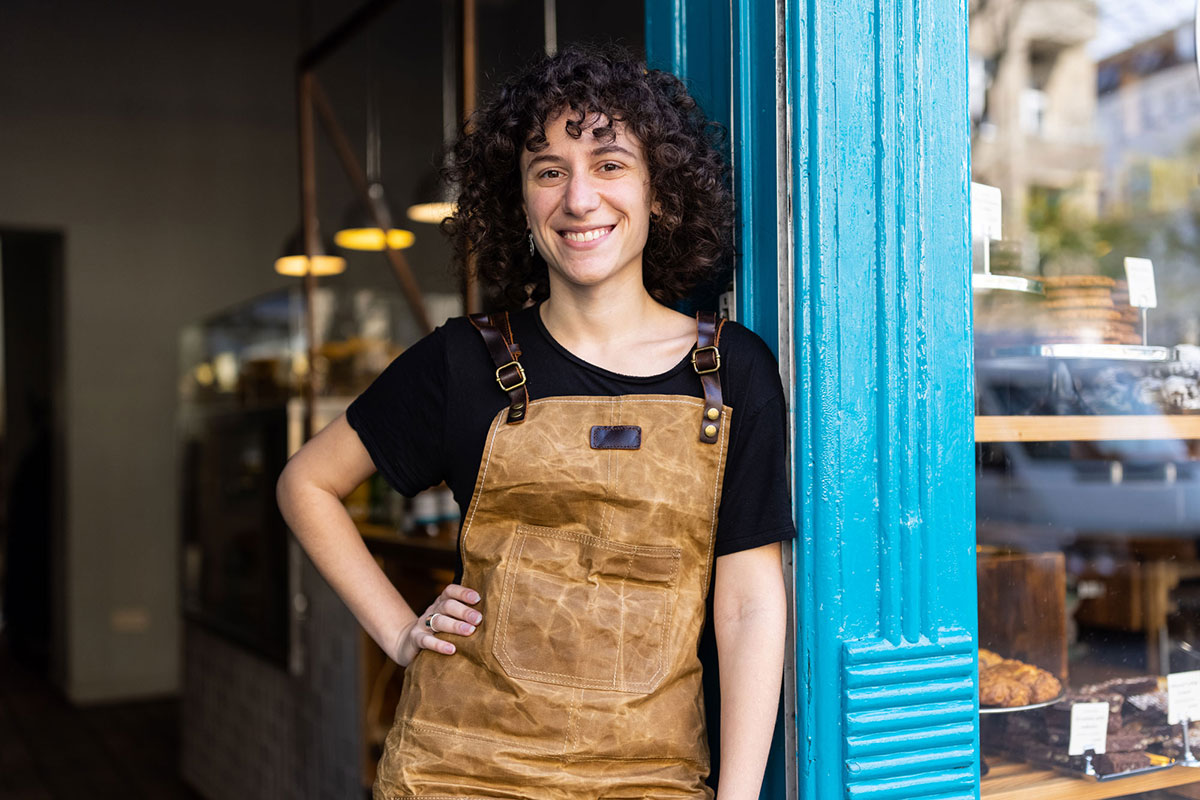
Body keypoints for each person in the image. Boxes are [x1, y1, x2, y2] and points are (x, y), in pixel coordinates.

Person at [277, 44, 793, 800]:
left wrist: (740, 796)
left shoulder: (733, 368)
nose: (579, 199)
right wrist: (398, 630)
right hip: (458, 771)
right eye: (549, 171)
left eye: (610, 164)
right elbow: (306, 483)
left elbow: (748, 603)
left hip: (649, 775)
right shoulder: (463, 361)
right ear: (520, 203)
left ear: (660, 192)